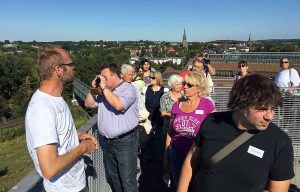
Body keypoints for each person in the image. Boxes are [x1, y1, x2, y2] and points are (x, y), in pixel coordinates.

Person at [178, 74, 294, 192]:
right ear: (242, 103)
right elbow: (191, 160)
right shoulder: (211, 122)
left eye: (273, 108)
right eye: (262, 109)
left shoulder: (280, 142)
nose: (269, 116)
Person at [25, 48, 99, 192]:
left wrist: (76, 136)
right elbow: (50, 169)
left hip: (76, 184)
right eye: (71, 64)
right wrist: (83, 147)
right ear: (58, 70)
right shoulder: (42, 109)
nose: (74, 68)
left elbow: (57, 136)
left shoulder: (56, 99)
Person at [85, 63, 139, 192]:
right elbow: (88, 103)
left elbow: (119, 105)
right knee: (115, 177)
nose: (102, 79)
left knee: (127, 180)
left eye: (105, 76)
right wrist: (94, 88)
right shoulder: (104, 91)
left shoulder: (129, 89)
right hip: (107, 141)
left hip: (125, 141)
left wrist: (103, 87)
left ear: (114, 75)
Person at [164, 72, 215, 189]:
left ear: (199, 88)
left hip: (196, 157)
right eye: (184, 83)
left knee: (196, 186)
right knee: (179, 186)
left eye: (189, 85)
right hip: (176, 155)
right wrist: (166, 157)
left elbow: (215, 129)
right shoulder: (177, 105)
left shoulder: (207, 104)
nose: (185, 87)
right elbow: (170, 133)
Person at [145, 71, 169, 161]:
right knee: (148, 136)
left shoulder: (165, 90)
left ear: (158, 78)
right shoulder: (146, 89)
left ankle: (160, 157)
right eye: (150, 78)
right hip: (148, 117)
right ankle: (148, 155)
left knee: (160, 136)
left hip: (160, 117)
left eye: (153, 78)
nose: (150, 79)